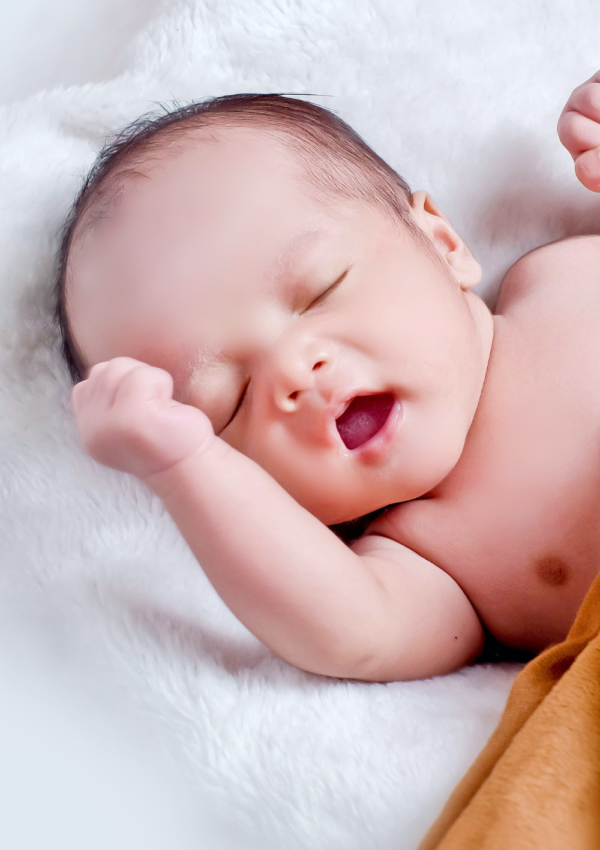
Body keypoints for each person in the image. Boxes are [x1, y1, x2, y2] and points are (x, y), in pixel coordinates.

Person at [55, 72, 600, 682]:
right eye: (229, 403)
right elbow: (352, 635)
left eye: (321, 289)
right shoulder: (431, 561)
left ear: (442, 242)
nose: (294, 371)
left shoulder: (567, 275)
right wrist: (183, 468)